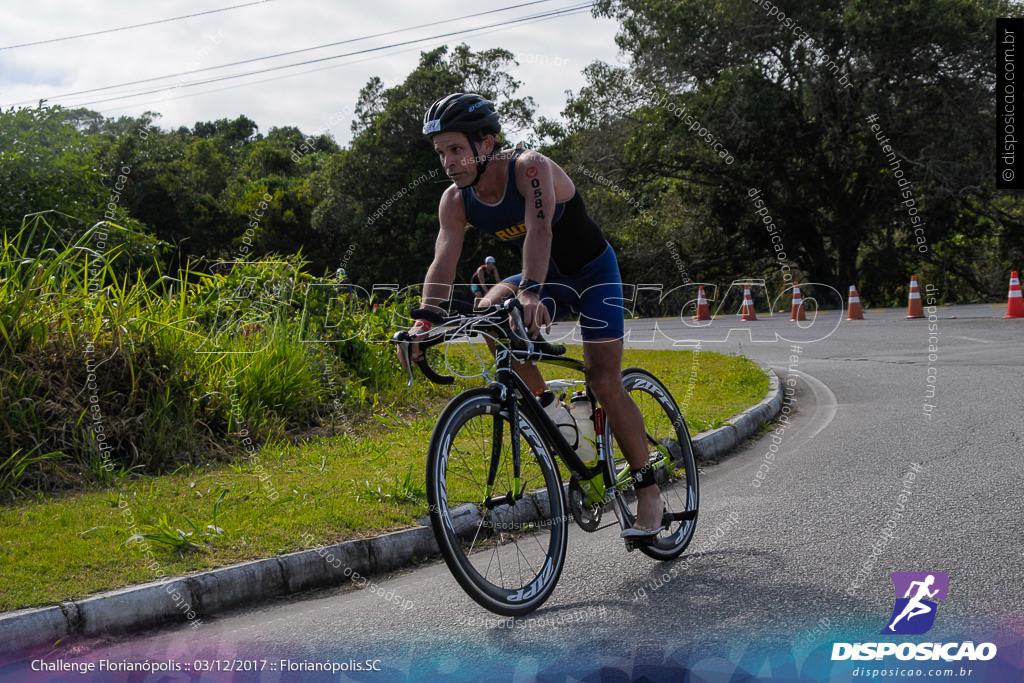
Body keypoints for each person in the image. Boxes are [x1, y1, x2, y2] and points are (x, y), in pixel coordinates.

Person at [407, 92, 663, 537]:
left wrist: (530, 289)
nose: (448, 162)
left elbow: (540, 228)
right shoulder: (455, 200)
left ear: (486, 144)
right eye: (441, 153)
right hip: (537, 277)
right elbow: (443, 260)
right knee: (486, 313)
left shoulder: (531, 168)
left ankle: (648, 491)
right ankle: (549, 408)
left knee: (603, 379)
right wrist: (425, 320)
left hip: (591, 273)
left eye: (456, 149)